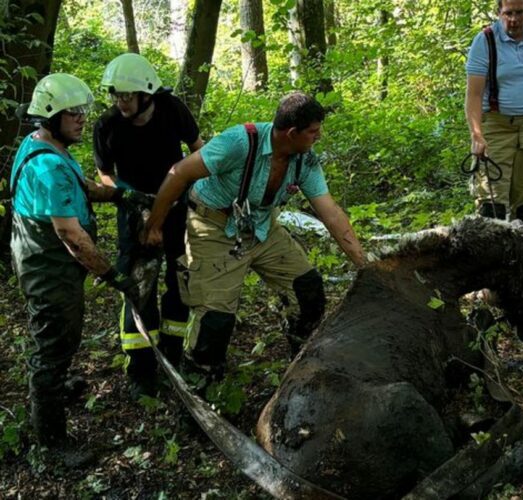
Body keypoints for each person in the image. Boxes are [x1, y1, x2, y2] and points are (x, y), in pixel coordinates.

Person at [141, 92, 366, 394]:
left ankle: (299, 366)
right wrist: (154, 224)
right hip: (214, 229)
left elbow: (331, 214)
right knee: (215, 322)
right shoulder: (238, 143)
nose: (319, 136)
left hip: (261, 228)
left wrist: (366, 267)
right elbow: (179, 173)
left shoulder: (305, 161)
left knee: (308, 290)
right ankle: (200, 390)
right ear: (292, 133)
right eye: (313, 131)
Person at [10, 73, 147, 464]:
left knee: (60, 335)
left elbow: (80, 185)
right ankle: (51, 442)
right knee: (54, 341)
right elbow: (71, 236)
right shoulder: (48, 167)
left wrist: (120, 194)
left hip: (37, 253)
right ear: (51, 116)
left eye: (84, 111)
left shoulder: (44, 145)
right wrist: (114, 276)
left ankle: (56, 386)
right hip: (48, 265)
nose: (83, 119)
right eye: (74, 113)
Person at [94, 53, 204, 399]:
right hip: (133, 213)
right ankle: (141, 369)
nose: (120, 102)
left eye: (127, 95)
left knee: (180, 280)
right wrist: (131, 202)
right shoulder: (107, 125)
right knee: (138, 289)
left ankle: (173, 353)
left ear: (147, 94)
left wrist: (196, 192)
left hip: (177, 208)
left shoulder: (172, 110)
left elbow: (198, 150)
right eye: (116, 95)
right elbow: (105, 173)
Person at [465, 0, 523, 230]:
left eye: (519, 13)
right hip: (496, 128)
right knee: (491, 201)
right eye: (508, 13)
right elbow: (474, 94)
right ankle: (492, 261)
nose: (514, 19)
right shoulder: (485, 41)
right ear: (499, 13)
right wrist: (476, 134)